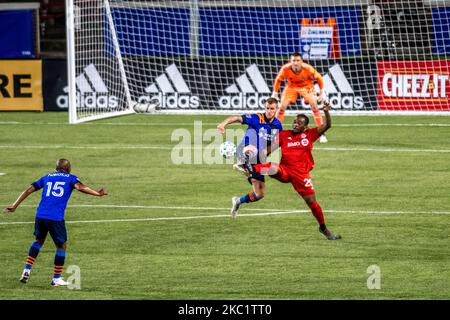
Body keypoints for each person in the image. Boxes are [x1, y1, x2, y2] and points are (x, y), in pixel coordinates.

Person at [237, 101, 341, 240]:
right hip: (285, 170)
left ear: (305, 126)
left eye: (299, 123)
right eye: (294, 122)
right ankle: (248, 167)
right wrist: (253, 155)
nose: (295, 124)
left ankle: (323, 228)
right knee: (273, 167)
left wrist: (326, 112)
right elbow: (267, 151)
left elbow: (327, 125)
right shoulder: (284, 135)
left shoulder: (310, 134)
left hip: (301, 175)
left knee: (312, 202)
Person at [3, 159, 108, 286]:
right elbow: (80, 187)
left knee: (38, 241)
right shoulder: (71, 178)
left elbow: (29, 190)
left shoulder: (47, 177)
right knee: (61, 246)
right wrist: (98, 194)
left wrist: (15, 205)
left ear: (56, 168)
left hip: (40, 215)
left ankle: (26, 271)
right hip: (55, 218)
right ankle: (56, 278)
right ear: (68, 168)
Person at [217, 97, 282, 218]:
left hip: (258, 159)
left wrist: (266, 153)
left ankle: (238, 201)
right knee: (252, 148)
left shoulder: (277, 126)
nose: (269, 111)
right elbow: (237, 118)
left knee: (259, 193)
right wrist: (223, 124)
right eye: (267, 108)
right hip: (246, 149)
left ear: (276, 109)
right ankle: (243, 164)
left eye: (272, 108)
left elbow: (276, 144)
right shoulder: (256, 118)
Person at [271, 52, 328, 143]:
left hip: (307, 87)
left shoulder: (308, 68)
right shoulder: (286, 69)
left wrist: (322, 92)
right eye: (293, 60)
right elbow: (278, 80)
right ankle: (274, 132)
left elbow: (319, 78)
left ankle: (322, 134)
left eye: (298, 60)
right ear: (290, 61)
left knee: (314, 106)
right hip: (291, 87)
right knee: (281, 108)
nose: (295, 63)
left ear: (301, 61)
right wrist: (275, 93)